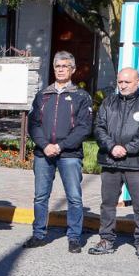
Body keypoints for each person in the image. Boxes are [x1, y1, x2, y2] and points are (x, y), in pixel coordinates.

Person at [24, 51, 93, 252]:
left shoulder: (81, 96)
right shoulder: (43, 95)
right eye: (57, 66)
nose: (61, 69)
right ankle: (38, 234)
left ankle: (74, 237)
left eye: (65, 66)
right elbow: (34, 124)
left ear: (73, 69)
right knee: (40, 196)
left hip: (69, 155)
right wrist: (45, 145)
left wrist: (60, 146)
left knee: (73, 197)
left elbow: (83, 128)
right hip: (43, 154)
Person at [87, 67, 139, 259]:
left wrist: (127, 148)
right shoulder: (108, 103)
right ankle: (106, 239)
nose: (123, 85)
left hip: (137, 163)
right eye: (120, 82)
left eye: (127, 82)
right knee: (107, 204)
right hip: (110, 162)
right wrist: (112, 147)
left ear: (138, 81)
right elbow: (99, 128)